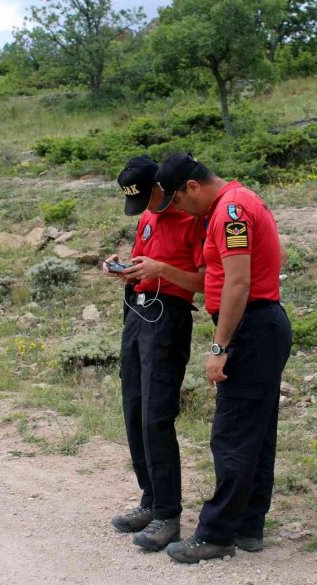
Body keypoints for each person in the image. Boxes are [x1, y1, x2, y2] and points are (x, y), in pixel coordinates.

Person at [154, 153, 292, 564]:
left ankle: (216, 534)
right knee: (257, 433)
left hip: (251, 326)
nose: (179, 210)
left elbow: (238, 282)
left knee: (231, 435)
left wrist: (219, 347)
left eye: (178, 201)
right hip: (261, 325)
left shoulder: (231, 210)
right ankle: (249, 525)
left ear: (192, 187)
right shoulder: (233, 204)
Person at [105, 156, 206, 552]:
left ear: (163, 185)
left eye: (149, 197)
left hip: (170, 316)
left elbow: (205, 280)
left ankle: (168, 512)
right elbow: (142, 265)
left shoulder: (191, 219)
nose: (145, 208)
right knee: (133, 408)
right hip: (137, 313)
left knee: (156, 415)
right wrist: (123, 269)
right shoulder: (147, 219)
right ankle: (149, 499)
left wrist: (161, 270)